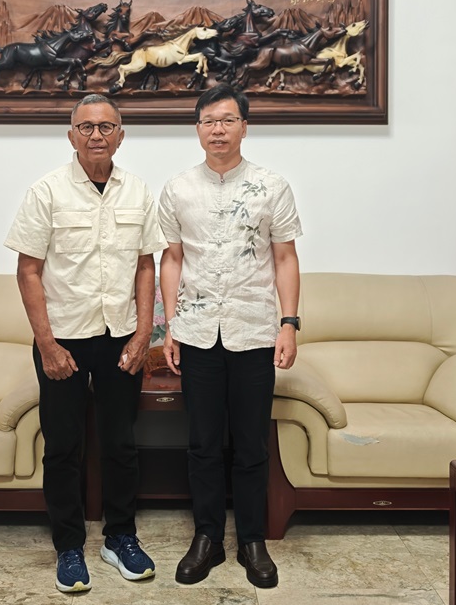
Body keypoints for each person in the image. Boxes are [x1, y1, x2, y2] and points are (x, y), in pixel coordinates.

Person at [4, 94, 167, 593]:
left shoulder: (137, 191)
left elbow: (145, 265)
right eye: (87, 127)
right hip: (64, 342)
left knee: (120, 443)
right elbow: (28, 271)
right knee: (63, 447)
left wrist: (143, 334)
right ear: (71, 135)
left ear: (121, 135)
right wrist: (47, 345)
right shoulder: (47, 192)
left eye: (107, 127)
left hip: (120, 338)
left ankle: (120, 538)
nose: (97, 135)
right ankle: (69, 547)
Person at [158, 84, 302, 589]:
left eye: (227, 120)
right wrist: (170, 326)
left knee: (250, 444)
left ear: (244, 126)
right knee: (201, 443)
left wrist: (289, 323)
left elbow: (284, 257)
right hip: (197, 332)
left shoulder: (271, 186)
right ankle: (207, 537)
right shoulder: (178, 188)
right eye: (208, 121)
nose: (217, 130)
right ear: (197, 129)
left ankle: (252, 540)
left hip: (254, 330)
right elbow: (172, 259)